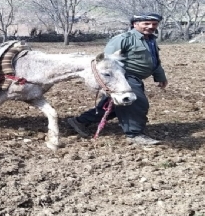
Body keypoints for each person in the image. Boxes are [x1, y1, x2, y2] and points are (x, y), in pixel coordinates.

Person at [67, 13, 168, 145]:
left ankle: (80, 121)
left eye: (154, 24)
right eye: (146, 24)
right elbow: (107, 62)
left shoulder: (150, 39)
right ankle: (135, 134)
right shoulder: (123, 39)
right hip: (124, 77)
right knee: (136, 103)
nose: (150, 27)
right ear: (135, 24)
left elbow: (154, 60)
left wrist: (160, 76)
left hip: (136, 78)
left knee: (118, 105)